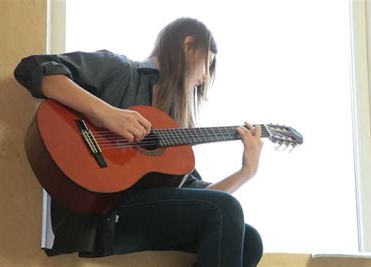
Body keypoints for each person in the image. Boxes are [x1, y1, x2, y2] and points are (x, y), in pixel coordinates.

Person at [14, 17, 264, 267]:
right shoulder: (121, 71)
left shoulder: (172, 126)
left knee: (250, 240)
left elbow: (197, 196)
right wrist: (105, 113)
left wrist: (246, 172)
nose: (205, 79)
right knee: (225, 209)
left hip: (141, 219)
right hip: (100, 215)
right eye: (207, 65)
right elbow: (33, 68)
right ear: (189, 45)